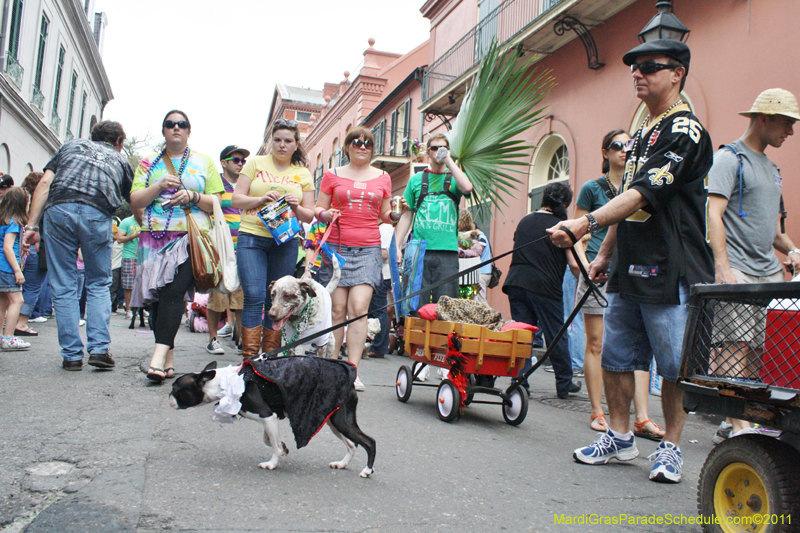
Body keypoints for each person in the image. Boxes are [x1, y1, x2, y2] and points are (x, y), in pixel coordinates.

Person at [550, 39, 713, 484]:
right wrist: (604, 254)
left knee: (673, 364)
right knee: (617, 358)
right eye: (634, 68)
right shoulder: (642, 132)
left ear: (677, 73)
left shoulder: (687, 130)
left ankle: (672, 448)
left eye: (649, 67)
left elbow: (645, 194)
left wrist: (584, 226)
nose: (637, 74)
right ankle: (619, 439)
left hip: (673, 266)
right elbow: (628, 201)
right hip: (628, 266)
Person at [707, 88, 800, 441]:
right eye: (786, 123)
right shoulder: (730, 159)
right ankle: (740, 430)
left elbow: (771, 229)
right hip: (740, 269)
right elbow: (713, 213)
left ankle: (738, 421)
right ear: (765, 118)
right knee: (735, 346)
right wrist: (723, 268)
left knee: (761, 352)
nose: (790, 130)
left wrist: (793, 249)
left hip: (769, 272)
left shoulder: (772, 168)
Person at [572, 129, 665, 439]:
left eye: (628, 146)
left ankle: (641, 416)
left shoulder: (640, 184)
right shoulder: (592, 188)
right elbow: (577, 233)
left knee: (637, 348)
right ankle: (598, 410)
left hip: (629, 272)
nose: (624, 151)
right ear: (605, 152)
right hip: (597, 273)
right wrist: (584, 268)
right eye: (617, 146)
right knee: (597, 343)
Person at [23, 121, 134, 371]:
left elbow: (44, 184)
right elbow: (134, 198)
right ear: (118, 142)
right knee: (98, 282)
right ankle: (99, 349)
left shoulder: (69, 147)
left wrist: (31, 226)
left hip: (59, 209)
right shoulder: (120, 160)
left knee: (63, 283)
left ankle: (72, 355)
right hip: (97, 212)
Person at [130, 110, 223, 382]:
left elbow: (217, 202)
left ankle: (157, 359)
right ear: (164, 131)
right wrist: (158, 186)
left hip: (188, 238)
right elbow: (136, 200)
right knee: (157, 300)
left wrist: (193, 195)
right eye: (170, 125)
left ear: (189, 131)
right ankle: (168, 358)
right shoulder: (148, 163)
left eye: (181, 124)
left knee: (172, 292)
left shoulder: (203, 162)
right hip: (153, 237)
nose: (176, 128)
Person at [315, 126, 395, 391]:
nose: (363, 146)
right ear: (347, 146)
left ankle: (352, 371)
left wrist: (396, 215)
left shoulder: (383, 177)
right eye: (357, 142)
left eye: (368, 143)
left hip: (368, 249)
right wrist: (323, 215)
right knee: (337, 310)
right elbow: (319, 207)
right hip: (337, 247)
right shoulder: (332, 174)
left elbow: (385, 215)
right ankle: (331, 368)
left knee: (358, 309)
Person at [232, 120, 315, 359]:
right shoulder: (256, 163)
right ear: (270, 141)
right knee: (255, 296)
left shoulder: (302, 173)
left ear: (296, 144)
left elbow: (308, 215)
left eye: (288, 140)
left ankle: (269, 358)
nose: (282, 145)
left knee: (276, 299)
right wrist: (259, 200)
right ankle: (249, 359)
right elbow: (236, 199)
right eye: (277, 139)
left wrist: (297, 205)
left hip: (285, 241)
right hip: (252, 237)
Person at [503, 182, 581, 399]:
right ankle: (564, 383)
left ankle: (520, 382)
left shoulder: (524, 221)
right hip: (545, 287)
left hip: (517, 283)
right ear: (564, 203)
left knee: (522, 336)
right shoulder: (562, 226)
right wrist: (586, 283)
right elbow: (574, 264)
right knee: (556, 334)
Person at [395, 133, 473, 309]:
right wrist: (398, 246)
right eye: (434, 148)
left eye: (442, 147)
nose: (438, 151)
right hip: (419, 251)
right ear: (428, 152)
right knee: (415, 304)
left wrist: (449, 160)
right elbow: (407, 215)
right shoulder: (416, 180)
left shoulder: (454, 178)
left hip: (447, 251)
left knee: (446, 307)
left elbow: (467, 188)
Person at [206, 144, 248, 355]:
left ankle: (241, 339)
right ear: (224, 162)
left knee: (240, 296)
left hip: (244, 245)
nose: (241, 164)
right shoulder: (216, 183)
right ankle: (213, 339)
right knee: (218, 295)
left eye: (243, 161)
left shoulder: (246, 184)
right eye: (236, 160)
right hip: (221, 246)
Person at [0, 187, 32, 351]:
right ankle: (8, 337)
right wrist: (17, 270)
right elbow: (7, 248)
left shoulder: (4, 220)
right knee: (17, 300)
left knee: (3, 301)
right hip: (6, 267)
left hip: (2, 266)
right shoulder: (14, 222)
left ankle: (1, 336)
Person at [14, 172, 46, 337]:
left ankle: (9, 320)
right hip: (35, 247)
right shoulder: (43, 204)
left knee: (13, 287)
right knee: (32, 287)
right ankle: (21, 323)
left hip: (16, 247)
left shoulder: (19, 202)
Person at [365, 222, 395, 358]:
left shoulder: (384, 228)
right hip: (382, 273)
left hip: (381, 273)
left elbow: (384, 254)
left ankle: (379, 347)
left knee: (378, 310)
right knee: (377, 310)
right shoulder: (385, 227)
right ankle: (377, 345)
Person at [116, 215, 140, 318]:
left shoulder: (148, 220)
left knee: (142, 285)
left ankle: (139, 309)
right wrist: (133, 236)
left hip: (144, 256)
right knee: (128, 285)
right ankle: (129, 310)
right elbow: (119, 239)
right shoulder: (127, 221)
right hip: (129, 256)